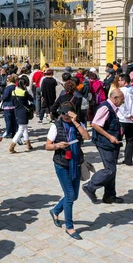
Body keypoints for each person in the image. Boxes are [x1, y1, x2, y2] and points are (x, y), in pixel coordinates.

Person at [46, 102, 90, 240]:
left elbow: (87, 137)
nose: (67, 119)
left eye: (69, 117)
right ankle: (69, 227)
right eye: (65, 117)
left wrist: (76, 122)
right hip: (62, 164)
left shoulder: (77, 123)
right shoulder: (55, 126)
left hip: (76, 162)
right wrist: (57, 145)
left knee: (74, 196)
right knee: (70, 195)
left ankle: (55, 210)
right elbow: (47, 146)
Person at [82, 89, 125, 204]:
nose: (123, 101)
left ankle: (109, 195)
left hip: (112, 143)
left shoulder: (113, 107)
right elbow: (95, 124)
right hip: (104, 143)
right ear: (115, 98)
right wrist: (110, 136)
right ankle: (90, 186)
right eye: (122, 99)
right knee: (110, 170)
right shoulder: (105, 107)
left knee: (112, 169)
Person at [116, 75, 133, 166]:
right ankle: (128, 160)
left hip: (122, 119)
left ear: (124, 81)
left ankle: (115, 158)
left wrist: (128, 115)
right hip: (131, 120)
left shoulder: (121, 91)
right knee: (129, 140)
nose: (118, 82)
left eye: (119, 80)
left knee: (118, 140)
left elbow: (120, 105)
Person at [10, 78, 34, 153]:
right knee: (21, 129)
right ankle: (12, 145)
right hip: (24, 112)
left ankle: (28, 144)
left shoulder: (13, 92)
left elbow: (12, 102)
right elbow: (31, 99)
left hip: (16, 111)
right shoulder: (24, 92)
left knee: (24, 128)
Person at [0, 74, 19, 138]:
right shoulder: (16, 87)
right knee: (14, 120)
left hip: (8, 105)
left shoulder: (8, 88)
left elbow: (5, 96)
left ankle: (8, 132)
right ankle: (14, 132)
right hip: (14, 105)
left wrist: (1, 98)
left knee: (8, 120)